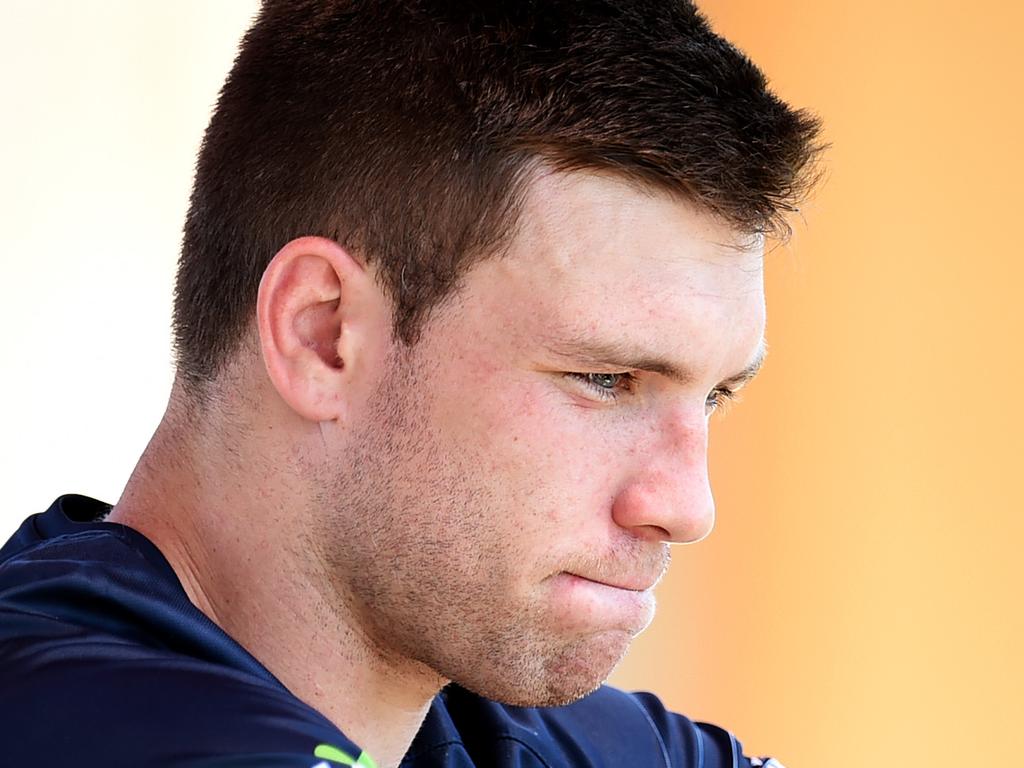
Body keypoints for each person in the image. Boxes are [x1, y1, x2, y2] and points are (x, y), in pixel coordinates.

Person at [0, 1, 822, 766]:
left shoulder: (522, 728)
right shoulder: (79, 720)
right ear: (323, 336)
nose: (687, 508)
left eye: (715, 395)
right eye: (605, 379)